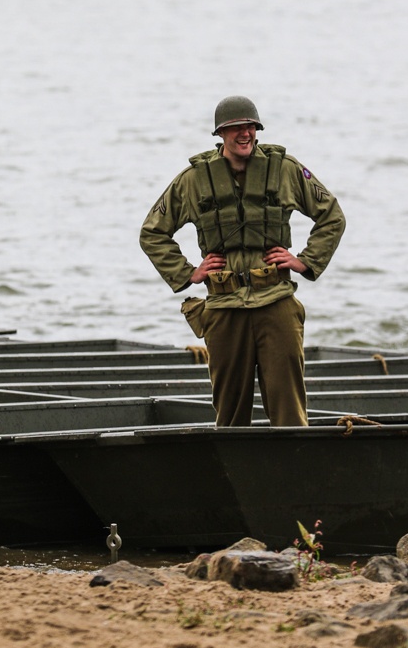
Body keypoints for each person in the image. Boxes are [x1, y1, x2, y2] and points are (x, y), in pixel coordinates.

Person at [139, 96, 345, 427]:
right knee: (230, 415)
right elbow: (152, 232)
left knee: (290, 412)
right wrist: (189, 273)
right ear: (221, 134)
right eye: (235, 128)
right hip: (223, 308)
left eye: (249, 126)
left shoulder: (287, 170)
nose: (244, 134)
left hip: (276, 302)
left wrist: (304, 261)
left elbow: (332, 217)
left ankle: (294, 472)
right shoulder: (193, 181)